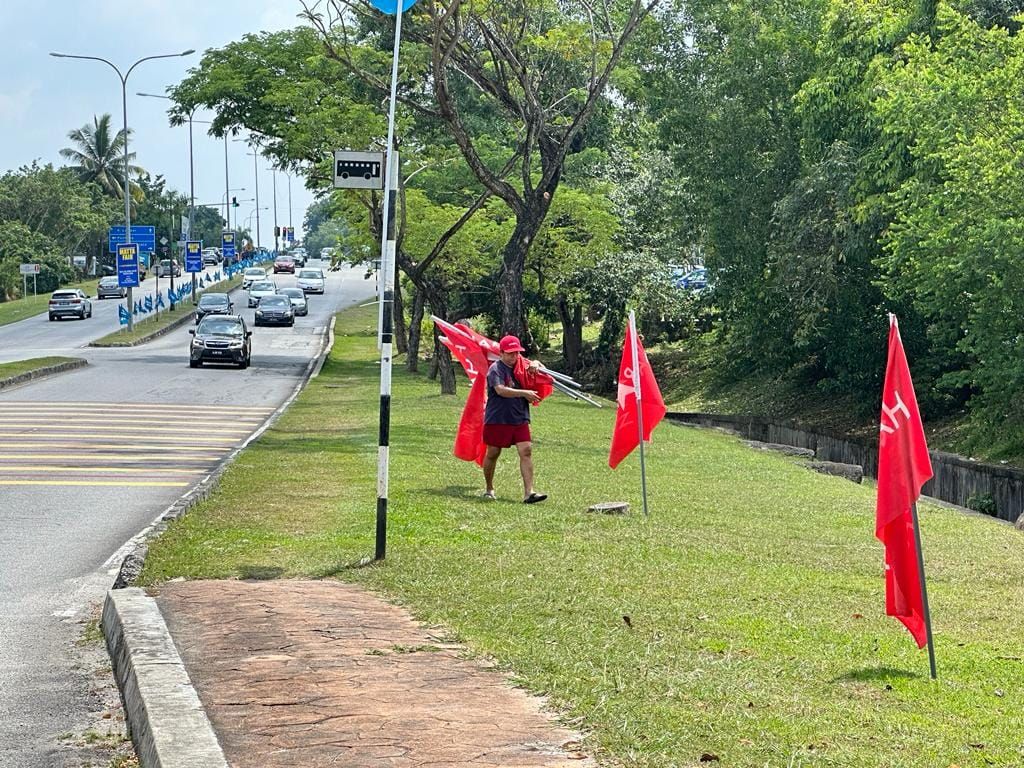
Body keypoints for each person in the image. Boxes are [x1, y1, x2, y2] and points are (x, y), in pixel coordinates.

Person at [482, 335, 547, 504]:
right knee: (493, 453)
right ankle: (489, 488)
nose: (514, 357)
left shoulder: (522, 365)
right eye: (510, 353)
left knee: (526, 450)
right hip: (498, 418)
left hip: (519, 417)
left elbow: (541, 371)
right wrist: (524, 393)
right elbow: (501, 390)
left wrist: (537, 364)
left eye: (517, 353)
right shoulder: (495, 369)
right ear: (501, 353)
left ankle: (529, 492)